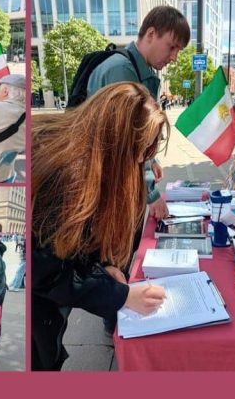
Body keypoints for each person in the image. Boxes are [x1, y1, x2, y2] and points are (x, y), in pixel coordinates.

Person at [32, 82, 170, 371]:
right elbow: (46, 270)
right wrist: (121, 296)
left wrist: (103, 266)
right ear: (118, 142)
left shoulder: (88, 158)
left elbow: (75, 243)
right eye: (143, 148)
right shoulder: (67, 176)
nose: (144, 158)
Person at [86, 6, 190, 225]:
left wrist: (151, 159)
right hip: (109, 186)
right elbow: (127, 144)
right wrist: (151, 195)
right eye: (171, 47)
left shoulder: (137, 69)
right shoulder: (122, 72)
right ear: (151, 34)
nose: (174, 57)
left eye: (178, 50)